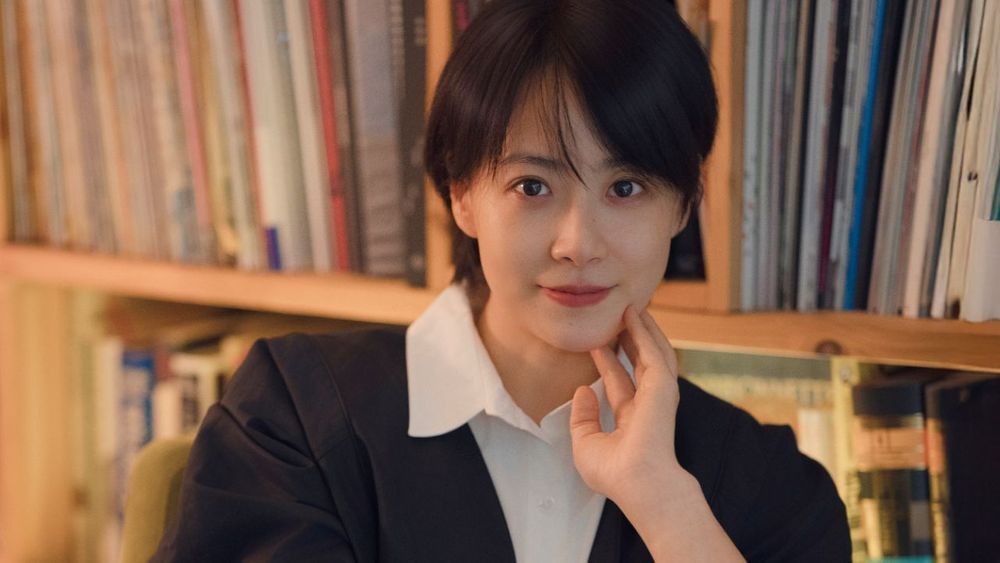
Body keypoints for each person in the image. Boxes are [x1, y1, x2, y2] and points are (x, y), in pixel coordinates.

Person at [153, 0, 850, 561]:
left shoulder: (773, 489)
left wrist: (666, 505)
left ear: (684, 205)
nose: (577, 244)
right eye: (532, 185)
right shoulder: (292, 420)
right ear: (461, 194)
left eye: (626, 187)